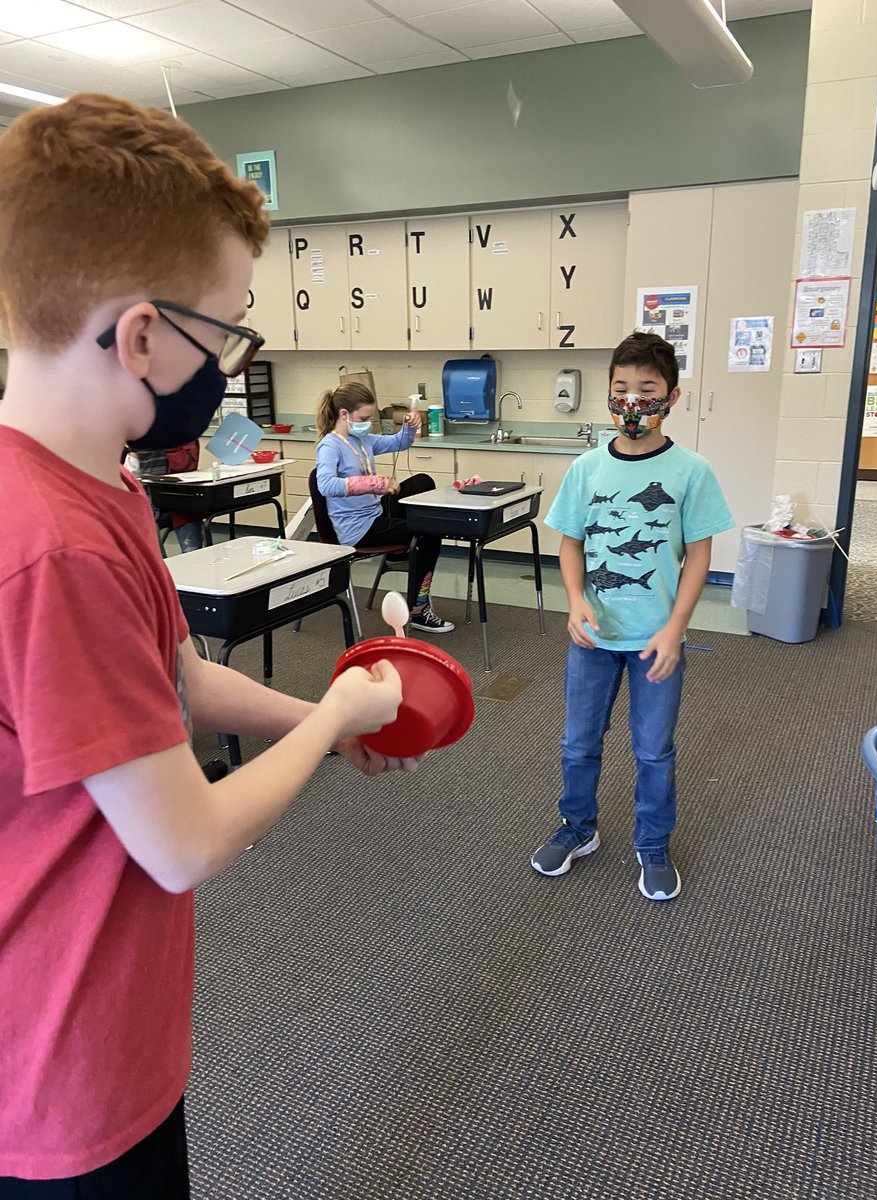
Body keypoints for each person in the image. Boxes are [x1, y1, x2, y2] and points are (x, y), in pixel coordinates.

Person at [0, 94, 417, 1195]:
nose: (230, 362)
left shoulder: (106, 491)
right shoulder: (52, 547)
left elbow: (178, 684)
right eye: (226, 330)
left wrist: (320, 731)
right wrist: (334, 713)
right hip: (60, 1077)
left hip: (111, 1033)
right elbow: (182, 842)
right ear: (142, 335)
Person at [530, 331, 734, 900]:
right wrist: (574, 599)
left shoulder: (691, 470)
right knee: (578, 742)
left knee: (653, 750)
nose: (632, 401)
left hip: (656, 642)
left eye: (647, 389)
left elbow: (700, 553)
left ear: (672, 397)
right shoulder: (587, 468)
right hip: (592, 638)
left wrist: (676, 628)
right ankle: (578, 827)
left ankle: (652, 844)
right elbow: (569, 542)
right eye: (621, 388)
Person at [315, 381, 455, 634]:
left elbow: (398, 443)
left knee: (423, 481)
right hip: (358, 528)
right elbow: (325, 485)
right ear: (344, 414)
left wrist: (410, 429)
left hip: (375, 512)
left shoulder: (362, 438)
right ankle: (418, 610)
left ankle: (399, 553)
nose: (367, 422)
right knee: (430, 533)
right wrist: (375, 483)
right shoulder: (330, 446)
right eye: (364, 417)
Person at [125, 439, 205, 553]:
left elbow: (185, 466)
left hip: (181, 503)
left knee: (192, 552)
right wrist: (133, 452)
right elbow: (130, 477)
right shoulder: (139, 437)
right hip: (151, 504)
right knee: (151, 551)